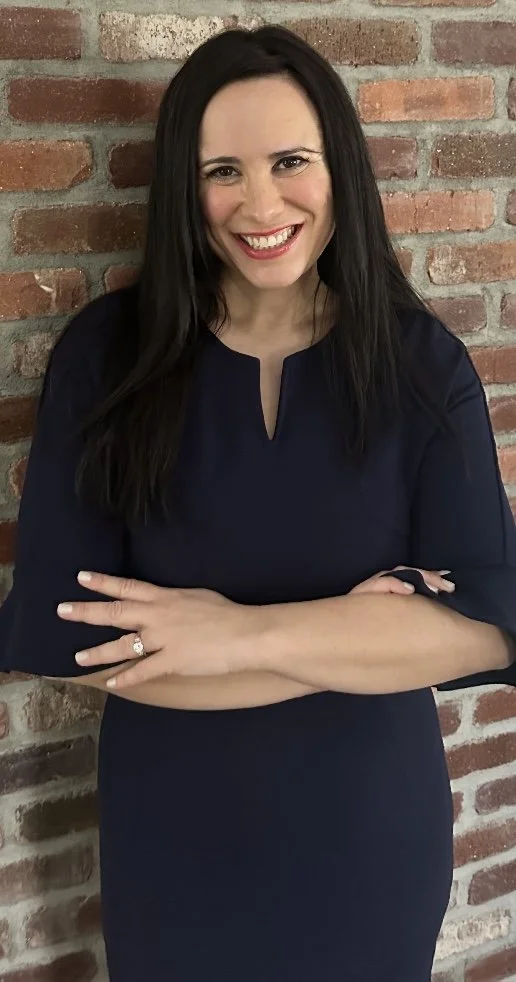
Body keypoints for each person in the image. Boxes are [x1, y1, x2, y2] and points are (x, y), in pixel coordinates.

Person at [1, 23, 515, 982]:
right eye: (222, 172)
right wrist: (358, 635)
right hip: (173, 846)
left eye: (290, 162)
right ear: (183, 189)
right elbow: (77, 643)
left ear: (340, 170)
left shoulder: (420, 365)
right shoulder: (107, 358)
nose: (262, 204)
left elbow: (487, 628)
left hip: (370, 843)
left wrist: (233, 635)